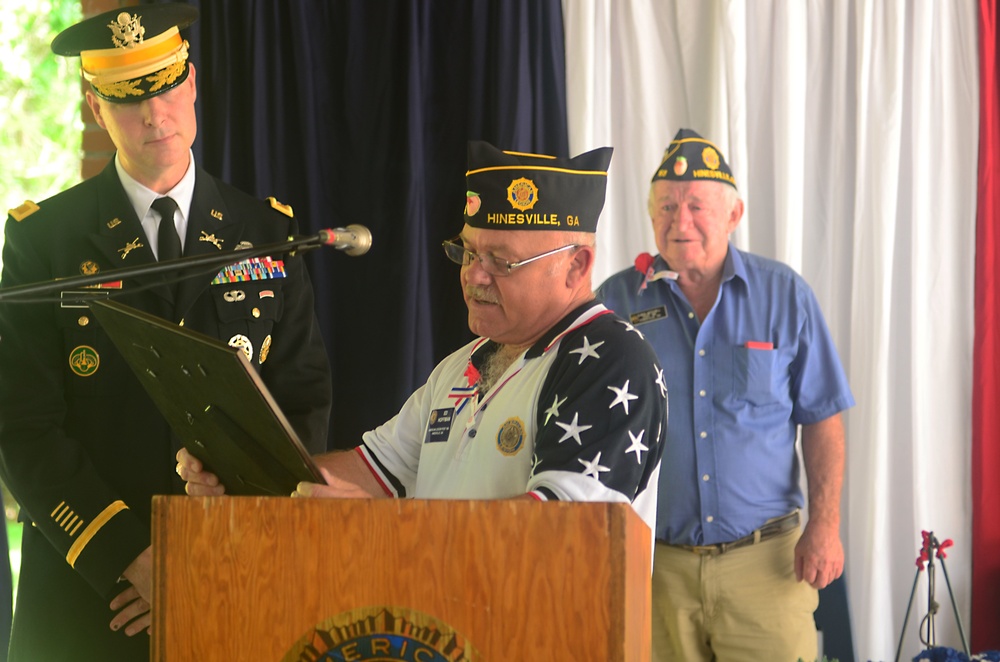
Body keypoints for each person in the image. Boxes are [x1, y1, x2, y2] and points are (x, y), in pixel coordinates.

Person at [0, 5, 332, 660]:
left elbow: (302, 407)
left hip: (232, 574)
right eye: (128, 99)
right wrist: (133, 559)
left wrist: (219, 543)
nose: (154, 115)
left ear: (193, 86)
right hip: (89, 593)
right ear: (97, 110)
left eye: (164, 88)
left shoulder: (266, 233)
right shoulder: (44, 241)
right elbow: (22, 423)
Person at [180, 140, 666, 551]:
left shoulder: (609, 359)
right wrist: (245, 476)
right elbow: (370, 471)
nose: (474, 276)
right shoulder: (464, 365)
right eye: (468, 252)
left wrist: (379, 528)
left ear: (577, 266)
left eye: (501, 261)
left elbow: (559, 532)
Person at [597, 128, 854, 661]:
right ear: (650, 216)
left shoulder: (784, 296)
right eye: (666, 205)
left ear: (734, 215)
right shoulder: (615, 301)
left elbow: (823, 416)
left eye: (696, 205)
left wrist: (826, 525)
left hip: (766, 566)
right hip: (657, 569)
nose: (679, 219)